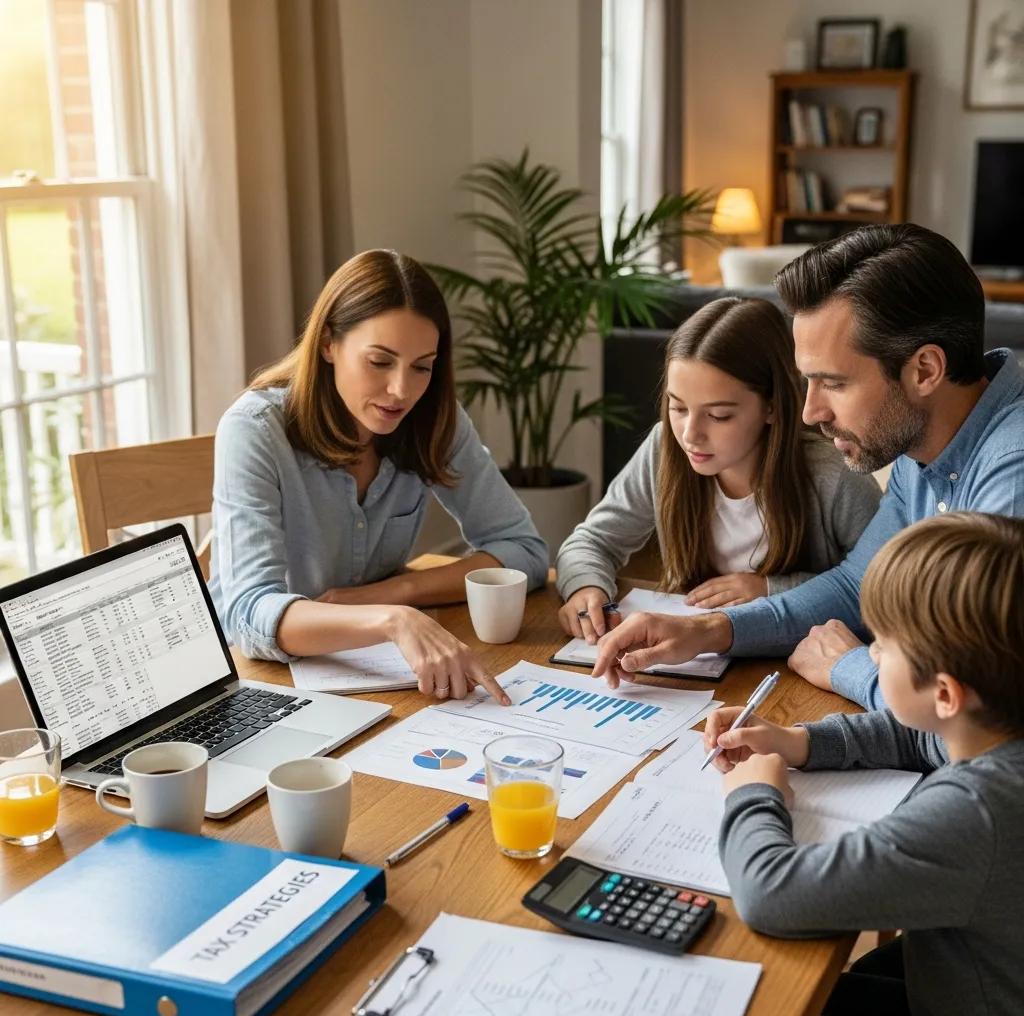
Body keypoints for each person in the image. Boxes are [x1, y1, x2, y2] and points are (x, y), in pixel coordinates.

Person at [591, 224, 1024, 709]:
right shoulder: (924, 443)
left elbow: (982, 712)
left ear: (924, 370)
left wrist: (847, 667)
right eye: (807, 382)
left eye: (833, 383)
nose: (809, 413)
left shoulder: (1012, 474)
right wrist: (707, 630)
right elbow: (856, 584)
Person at [705, 512, 1024, 1016]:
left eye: (883, 644)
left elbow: (772, 893)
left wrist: (752, 795)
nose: (870, 654)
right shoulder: (994, 727)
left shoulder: (978, 811)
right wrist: (801, 741)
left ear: (944, 692)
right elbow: (921, 736)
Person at [209, 249, 547, 703]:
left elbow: (524, 550)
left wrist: (395, 593)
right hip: (266, 683)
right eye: (380, 361)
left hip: (374, 680)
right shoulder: (254, 430)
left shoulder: (433, 419)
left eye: (422, 367)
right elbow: (248, 614)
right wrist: (392, 619)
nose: (401, 391)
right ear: (329, 343)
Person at [555, 297, 880, 643]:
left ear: (771, 406)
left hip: (798, 663)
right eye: (678, 407)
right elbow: (592, 541)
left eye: (718, 415)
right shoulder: (665, 446)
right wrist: (586, 586)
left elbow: (881, 587)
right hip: (696, 665)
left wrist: (771, 589)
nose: (690, 434)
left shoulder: (833, 475)